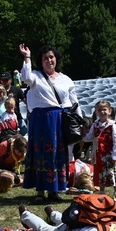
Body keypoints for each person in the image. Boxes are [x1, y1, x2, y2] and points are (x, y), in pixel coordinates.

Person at [19, 43, 79, 203]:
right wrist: (27, 57)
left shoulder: (66, 79)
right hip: (41, 120)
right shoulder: (35, 76)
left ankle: (55, 190)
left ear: (56, 59)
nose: (49, 60)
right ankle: (40, 191)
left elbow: (74, 102)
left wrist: (80, 121)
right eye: (45, 58)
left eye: (51, 57)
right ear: (41, 61)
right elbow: (25, 77)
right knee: (41, 154)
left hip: (59, 120)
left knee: (57, 155)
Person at [84, 100, 116, 199]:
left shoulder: (112, 125)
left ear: (109, 111)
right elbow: (90, 137)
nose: (102, 112)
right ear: (96, 112)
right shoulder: (95, 125)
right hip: (99, 154)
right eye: (99, 110)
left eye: (104, 110)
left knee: (114, 171)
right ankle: (102, 190)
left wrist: (115, 154)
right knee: (100, 171)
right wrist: (83, 135)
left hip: (110, 152)